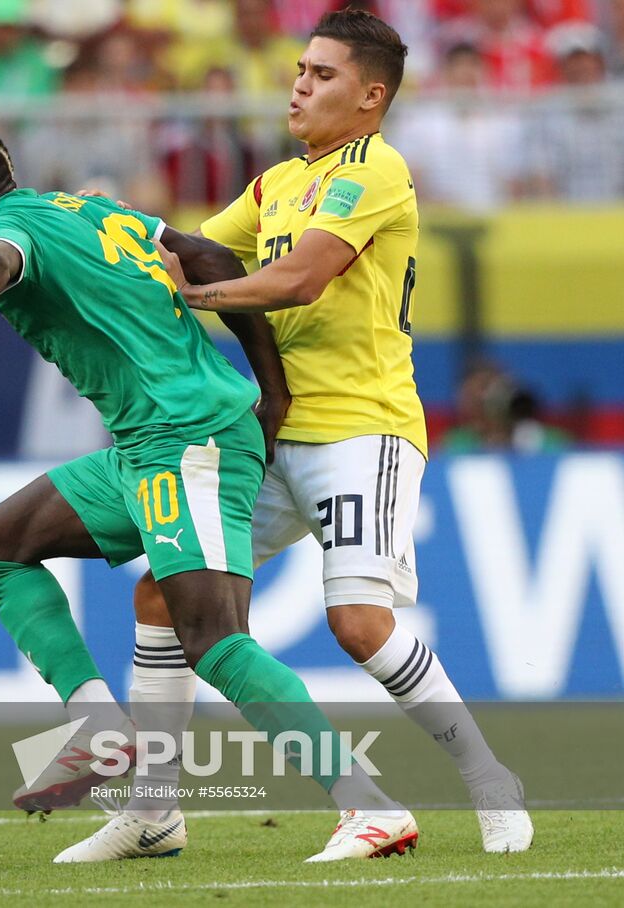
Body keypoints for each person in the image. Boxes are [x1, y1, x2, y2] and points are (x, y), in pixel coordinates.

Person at [0, 117, 418, 864]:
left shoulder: (8, 229)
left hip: (190, 439)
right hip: (145, 448)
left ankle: (370, 806)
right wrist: (271, 390)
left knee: (213, 640)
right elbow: (209, 255)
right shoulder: (88, 211)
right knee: (1, 544)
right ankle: (119, 765)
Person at [62, 9, 533, 863]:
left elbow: (300, 278)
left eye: (322, 74)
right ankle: (152, 810)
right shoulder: (276, 183)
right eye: (300, 70)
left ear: (371, 96)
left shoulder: (376, 169)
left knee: (358, 623)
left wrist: (195, 296)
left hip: (361, 430)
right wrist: (106, 227)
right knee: (165, 595)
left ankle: (490, 779)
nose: (300, 86)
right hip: (271, 437)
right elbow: (188, 250)